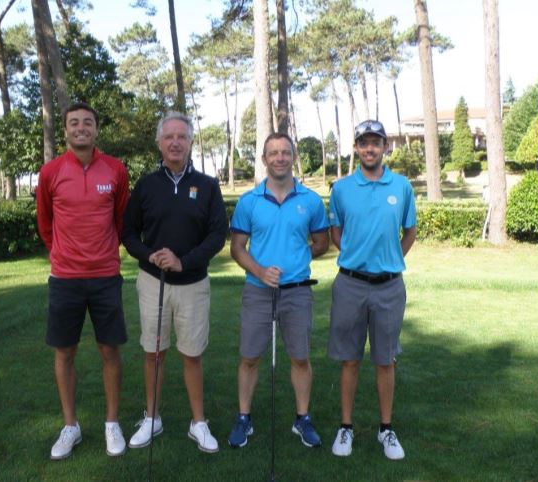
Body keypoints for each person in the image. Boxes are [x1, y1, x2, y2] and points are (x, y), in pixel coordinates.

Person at [121, 111, 228, 453]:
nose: (175, 142)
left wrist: (184, 262)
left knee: (192, 354)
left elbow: (217, 235)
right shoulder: (146, 185)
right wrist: (150, 255)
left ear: (191, 141)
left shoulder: (208, 186)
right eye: (169, 137)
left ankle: (198, 423)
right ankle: (152, 417)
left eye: (182, 136)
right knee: (154, 353)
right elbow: (128, 233)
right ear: (159, 143)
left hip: (193, 284)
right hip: (153, 281)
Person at [36, 102, 130, 460]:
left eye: (87, 122)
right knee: (66, 351)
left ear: (96, 129)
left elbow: (122, 220)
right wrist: (63, 253)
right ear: (65, 131)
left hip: (106, 276)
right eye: (74, 123)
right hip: (65, 278)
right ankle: (70, 426)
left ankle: (111, 424)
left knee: (109, 350)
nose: (81, 128)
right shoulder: (51, 172)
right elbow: (46, 223)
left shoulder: (116, 170)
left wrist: (105, 252)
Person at [227, 132, 329, 449]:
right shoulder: (249, 201)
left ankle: (302, 418)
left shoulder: (310, 201)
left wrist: (298, 260)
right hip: (258, 290)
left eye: (285, 152)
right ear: (264, 159)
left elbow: (322, 243)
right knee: (249, 357)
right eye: (273, 153)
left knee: (300, 357)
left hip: (297, 292)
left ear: (293, 156)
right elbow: (237, 248)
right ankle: (244, 418)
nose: (280, 158)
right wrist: (259, 270)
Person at [327, 119, 417, 460]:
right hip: (350, 284)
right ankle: (346, 428)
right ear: (356, 148)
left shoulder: (402, 186)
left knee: (385, 360)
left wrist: (391, 258)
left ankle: (386, 429)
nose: (369, 148)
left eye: (375, 143)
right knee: (349, 360)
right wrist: (355, 256)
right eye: (363, 143)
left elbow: (410, 231)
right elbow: (336, 231)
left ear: (385, 147)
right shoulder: (342, 189)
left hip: (390, 288)